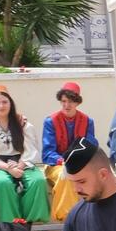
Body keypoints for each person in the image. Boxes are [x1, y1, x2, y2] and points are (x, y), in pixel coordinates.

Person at [0, 85, 51, 225]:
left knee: (38, 180)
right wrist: (8, 168)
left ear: (10, 103)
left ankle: (33, 222)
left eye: (4, 102)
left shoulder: (21, 122)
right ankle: (12, 223)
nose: (1, 106)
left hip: (21, 161)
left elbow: (31, 148)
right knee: (3, 183)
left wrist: (20, 165)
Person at [39, 82, 96, 221]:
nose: (66, 105)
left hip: (80, 163)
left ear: (77, 102)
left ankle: (92, 218)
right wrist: (63, 161)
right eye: (64, 101)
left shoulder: (87, 121)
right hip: (56, 165)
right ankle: (66, 218)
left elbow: (90, 145)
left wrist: (78, 160)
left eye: (71, 101)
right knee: (65, 176)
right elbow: (47, 153)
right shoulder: (50, 121)